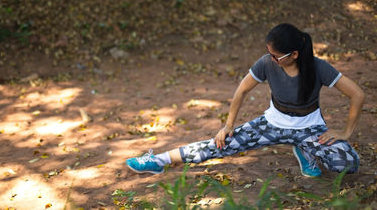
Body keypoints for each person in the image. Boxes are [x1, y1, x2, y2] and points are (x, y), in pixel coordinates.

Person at [126, 23, 365, 177]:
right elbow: (241, 90)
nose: (270, 59)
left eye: (275, 56)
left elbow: (357, 94)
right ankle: (157, 160)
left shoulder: (318, 67)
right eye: (269, 53)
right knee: (219, 146)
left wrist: (345, 132)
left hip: (310, 129)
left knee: (347, 164)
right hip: (272, 124)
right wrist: (228, 126)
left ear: (294, 54)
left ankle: (305, 149)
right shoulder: (266, 63)